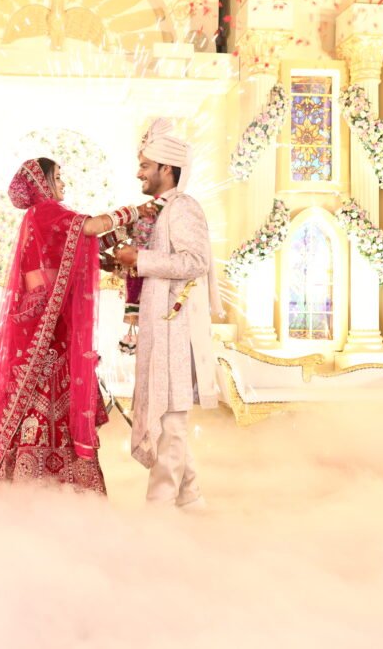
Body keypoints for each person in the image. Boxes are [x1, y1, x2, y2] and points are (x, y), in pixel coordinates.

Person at [0, 158, 155, 492]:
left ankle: (41, 476)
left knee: (46, 393)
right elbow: (91, 227)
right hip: (42, 324)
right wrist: (135, 211)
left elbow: (84, 245)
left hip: (51, 321)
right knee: (41, 392)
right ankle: (36, 479)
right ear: (42, 183)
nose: (63, 183)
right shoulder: (45, 210)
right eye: (58, 177)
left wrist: (122, 235)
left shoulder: (43, 218)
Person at [115, 119, 224, 509]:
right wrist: (126, 260)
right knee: (165, 418)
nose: (139, 172)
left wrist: (140, 259)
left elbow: (196, 261)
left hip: (176, 330)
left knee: (172, 420)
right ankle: (190, 497)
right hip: (158, 329)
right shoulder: (157, 213)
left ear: (166, 168)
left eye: (145, 165)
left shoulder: (182, 207)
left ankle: (158, 511)